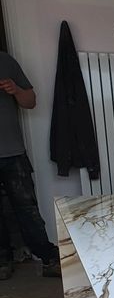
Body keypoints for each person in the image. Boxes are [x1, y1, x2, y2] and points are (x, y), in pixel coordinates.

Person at [0, 51, 61, 280]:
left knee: (27, 209)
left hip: (13, 151)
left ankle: (48, 258)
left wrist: (15, 90)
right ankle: (2, 261)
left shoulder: (5, 61)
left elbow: (31, 102)